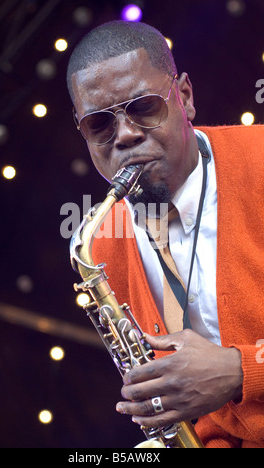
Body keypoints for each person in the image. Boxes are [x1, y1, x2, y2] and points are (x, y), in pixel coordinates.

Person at [66, 20, 264, 448]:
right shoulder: (101, 243)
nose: (126, 135)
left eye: (143, 107)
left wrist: (240, 371)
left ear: (185, 98)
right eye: (99, 125)